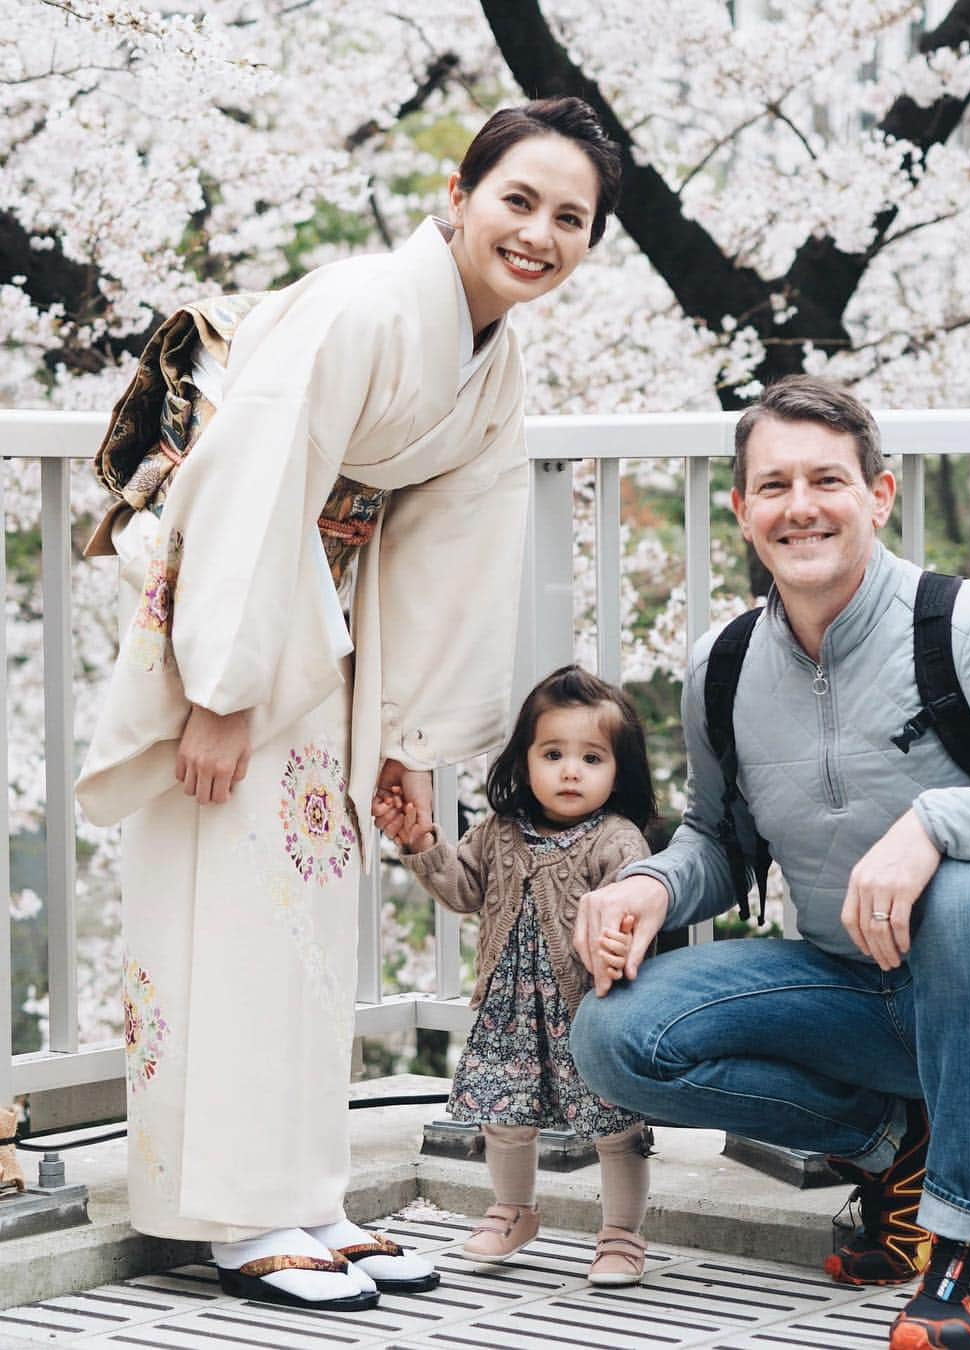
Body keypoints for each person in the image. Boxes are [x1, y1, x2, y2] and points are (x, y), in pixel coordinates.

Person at [75, 99, 622, 1314]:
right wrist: (216, 692)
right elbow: (250, 476)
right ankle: (234, 1212)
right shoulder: (363, 308)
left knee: (310, 925)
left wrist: (416, 743)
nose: (537, 233)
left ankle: (304, 1194)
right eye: (517, 200)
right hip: (239, 630)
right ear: (458, 196)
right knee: (231, 916)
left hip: (322, 638)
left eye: (569, 218)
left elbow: (457, 550)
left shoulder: (490, 358)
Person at [569, 376, 970, 1350]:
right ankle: (898, 1152)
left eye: (827, 480)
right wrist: (650, 881)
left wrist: (938, 822)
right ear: (742, 511)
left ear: (878, 496)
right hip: (849, 988)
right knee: (615, 1036)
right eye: (773, 486)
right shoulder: (720, 663)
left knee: (968, 887)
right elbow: (717, 842)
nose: (799, 506)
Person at [374, 666, 656, 1285]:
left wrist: (618, 941)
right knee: (504, 1116)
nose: (570, 770)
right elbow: (464, 888)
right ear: (524, 760)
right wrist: (423, 843)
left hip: (588, 1009)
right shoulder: (500, 831)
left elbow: (636, 909)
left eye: (592, 756)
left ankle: (622, 1235)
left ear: (619, 769)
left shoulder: (618, 840)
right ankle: (513, 1210)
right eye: (552, 753)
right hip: (508, 1010)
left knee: (614, 1127)